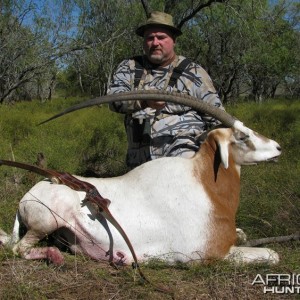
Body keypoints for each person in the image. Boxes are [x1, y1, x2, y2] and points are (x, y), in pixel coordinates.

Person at [107, 11, 224, 169]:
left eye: (161, 37)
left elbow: (218, 120)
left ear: (173, 40)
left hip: (185, 167)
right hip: (140, 169)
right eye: (150, 38)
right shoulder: (129, 67)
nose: (155, 43)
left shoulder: (195, 73)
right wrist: (143, 102)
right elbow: (113, 101)